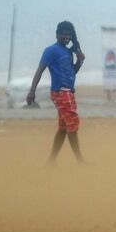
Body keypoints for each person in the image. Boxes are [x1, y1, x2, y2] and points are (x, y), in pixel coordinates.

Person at [27, 21, 86, 164]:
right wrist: (32, 91)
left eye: (69, 34)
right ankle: (80, 161)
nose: (66, 37)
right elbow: (39, 71)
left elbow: (72, 72)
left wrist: (79, 61)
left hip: (69, 92)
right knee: (73, 123)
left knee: (64, 128)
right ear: (57, 34)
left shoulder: (68, 51)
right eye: (64, 34)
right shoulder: (51, 50)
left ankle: (51, 161)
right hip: (61, 92)